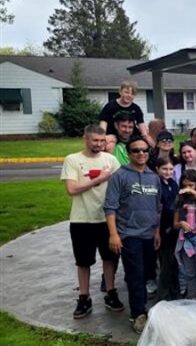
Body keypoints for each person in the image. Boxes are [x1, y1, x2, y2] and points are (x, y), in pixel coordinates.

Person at [61, 125, 123, 319]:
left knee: (109, 258)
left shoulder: (111, 160)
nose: (98, 144)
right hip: (82, 219)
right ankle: (84, 297)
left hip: (107, 219)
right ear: (85, 139)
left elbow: (121, 187)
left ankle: (111, 293)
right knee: (83, 261)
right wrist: (98, 180)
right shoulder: (73, 160)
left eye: (102, 140)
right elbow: (71, 189)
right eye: (95, 140)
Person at [104, 136, 162, 334]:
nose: (141, 154)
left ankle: (143, 307)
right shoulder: (120, 176)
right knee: (135, 275)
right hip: (129, 234)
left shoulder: (153, 177)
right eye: (136, 150)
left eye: (145, 150)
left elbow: (157, 207)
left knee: (147, 274)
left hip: (149, 234)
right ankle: (137, 314)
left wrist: (156, 231)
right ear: (129, 154)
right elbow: (110, 207)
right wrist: (114, 234)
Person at [174, 170, 196, 300]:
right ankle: (191, 299)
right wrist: (182, 223)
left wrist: (195, 194)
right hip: (186, 238)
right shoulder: (179, 198)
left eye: (191, 185)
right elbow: (175, 223)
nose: (187, 189)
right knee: (189, 272)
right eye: (185, 186)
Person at [155, 158, 180, 301]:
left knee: (174, 263)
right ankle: (163, 296)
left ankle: (175, 292)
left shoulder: (173, 183)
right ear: (158, 169)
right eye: (165, 169)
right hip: (163, 230)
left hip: (174, 229)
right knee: (166, 263)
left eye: (171, 169)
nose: (168, 172)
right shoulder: (157, 184)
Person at [99, 81, 151, 146]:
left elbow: (141, 123)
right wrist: (102, 136)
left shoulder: (136, 108)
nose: (129, 95)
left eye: (132, 94)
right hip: (113, 135)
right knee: (109, 146)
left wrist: (145, 136)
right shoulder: (110, 106)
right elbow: (103, 123)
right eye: (126, 92)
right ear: (120, 92)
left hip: (131, 135)